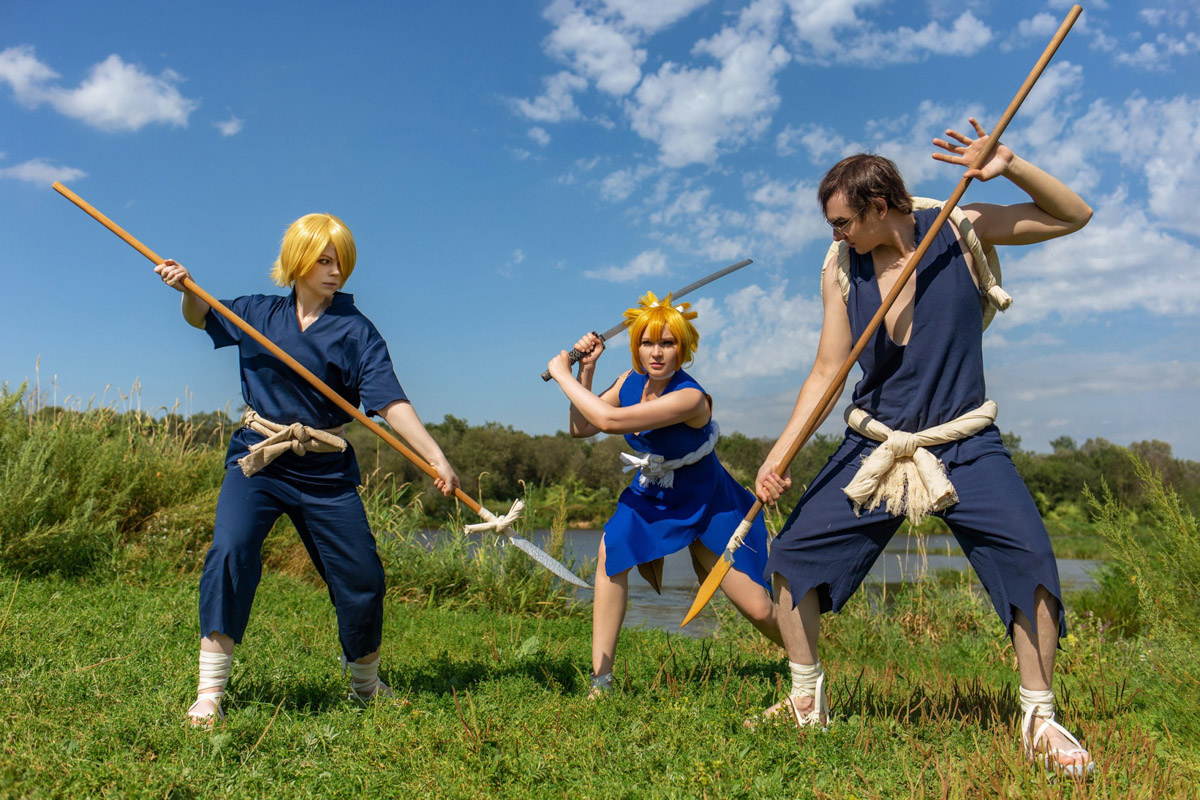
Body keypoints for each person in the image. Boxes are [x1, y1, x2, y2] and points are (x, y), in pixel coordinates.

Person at [754, 119, 1095, 777]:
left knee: (1033, 560)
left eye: (842, 221)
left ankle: (1040, 719)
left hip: (963, 439)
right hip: (874, 444)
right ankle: (805, 701)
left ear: (880, 208)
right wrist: (780, 455)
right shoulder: (840, 269)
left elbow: (1072, 215)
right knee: (791, 554)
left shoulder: (960, 226)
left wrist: (1012, 164)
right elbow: (827, 370)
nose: (836, 234)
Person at [155, 213, 460, 725]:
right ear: (297, 261)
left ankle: (365, 686)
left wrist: (435, 454)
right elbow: (199, 316)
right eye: (323, 259)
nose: (335, 270)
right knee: (230, 551)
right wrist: (185, 288)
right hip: (259, 457)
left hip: (325, 468)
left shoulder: (357, 331)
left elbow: (389, 401)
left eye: (341, 260)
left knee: (362, 576)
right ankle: (210, 691)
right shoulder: (256, 312)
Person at [546, 294, 783, 696]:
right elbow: (581, 429)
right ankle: (601, 682)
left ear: (683, 348)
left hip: (708, 501)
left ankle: (808, 661)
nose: (656, 353)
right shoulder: (628, 382)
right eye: (648, 342)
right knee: (611, 547)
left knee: (758, 608)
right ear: (635, 345)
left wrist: (561, 374)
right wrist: (586, 370)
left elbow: (608, 420)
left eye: (668, 343)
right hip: (654, 494)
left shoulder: (691, 398)